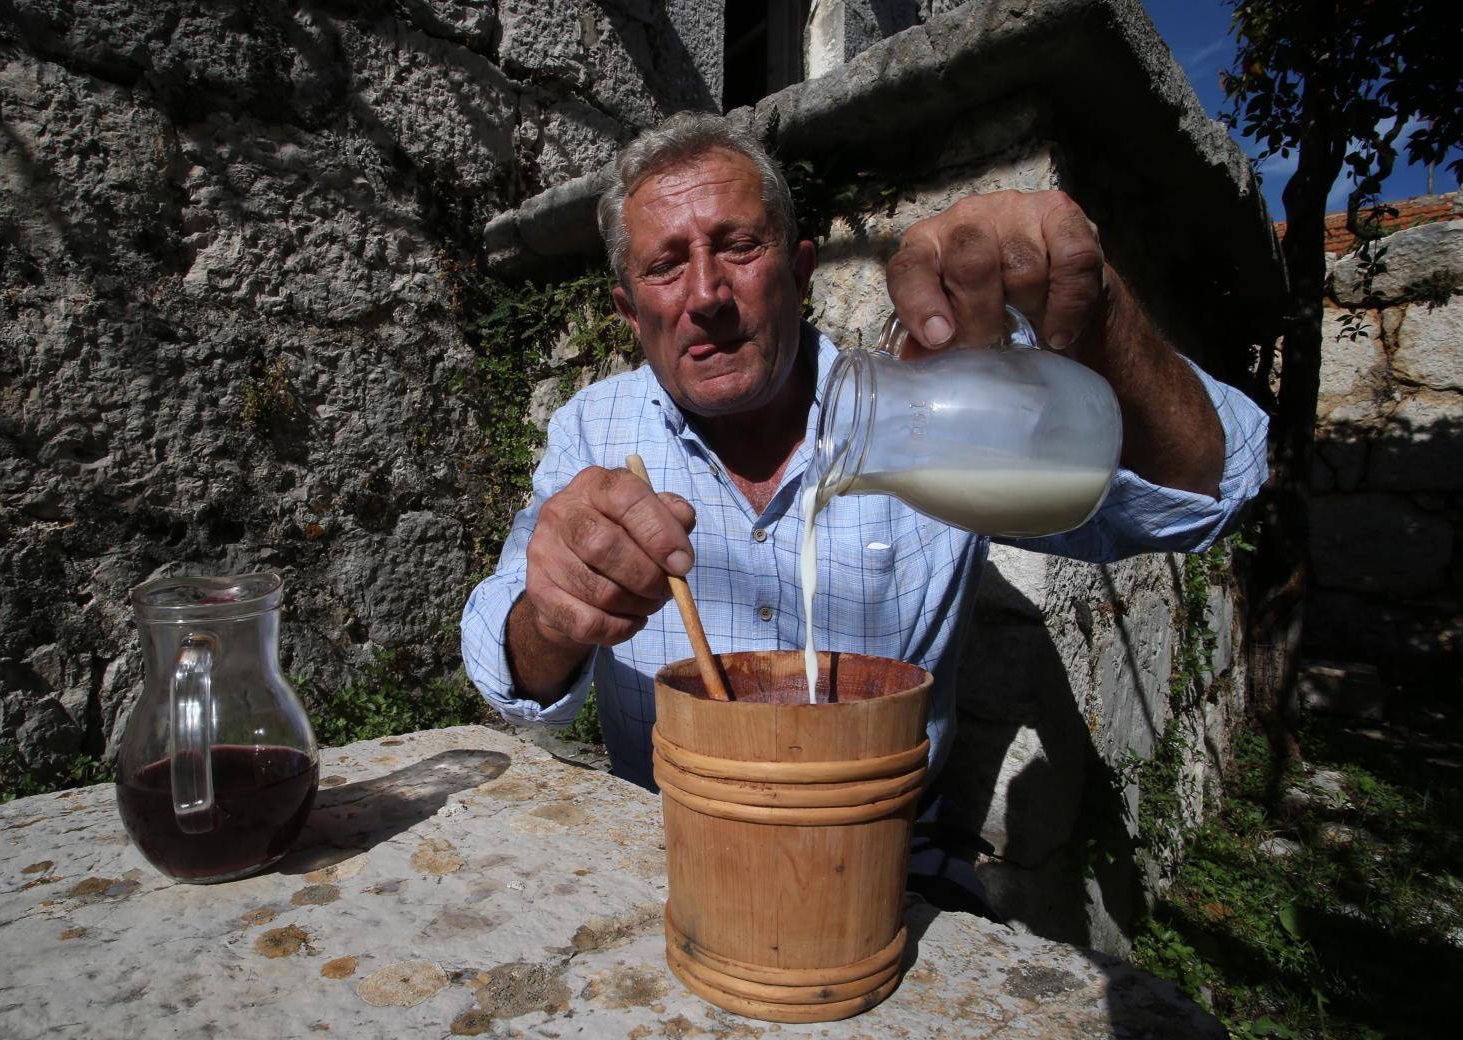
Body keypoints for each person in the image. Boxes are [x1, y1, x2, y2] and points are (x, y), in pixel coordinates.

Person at [461, 112, 1268, 911]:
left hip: (885, 850)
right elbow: (510, 672)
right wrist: (556, 618)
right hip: (672, 834)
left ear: (802, 269)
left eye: (739, 246)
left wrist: (1097, 319)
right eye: (665, 267)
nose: (706, 294)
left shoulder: (922, 415)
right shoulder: (595, 431)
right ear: (631, 313)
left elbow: (1203, 499)